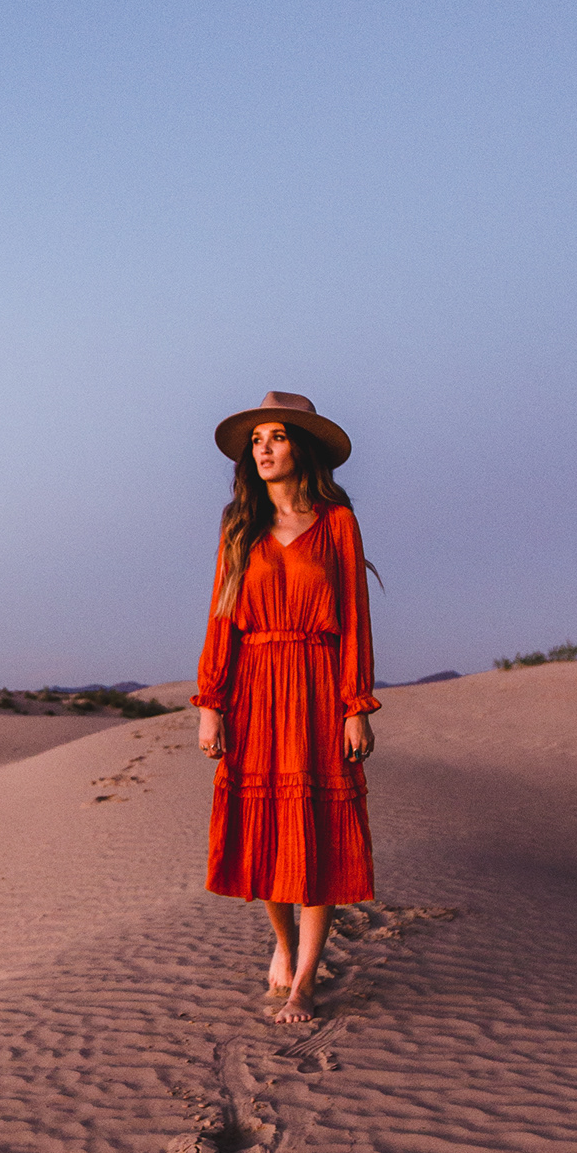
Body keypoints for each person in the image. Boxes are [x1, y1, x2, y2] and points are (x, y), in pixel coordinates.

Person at [193, 390, 378, 1024]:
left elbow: (354, 619)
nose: (265, 448)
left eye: (276, 436)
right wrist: (210, 702)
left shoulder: (337, 524)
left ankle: (304, 980)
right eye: (257, 440)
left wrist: (356, 705)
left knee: (317, 832)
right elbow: (221, 620)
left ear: (302, 448)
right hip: (254, 686)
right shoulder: (238, 526)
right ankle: (283, 941)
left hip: (320, 683)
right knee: (263, 827)